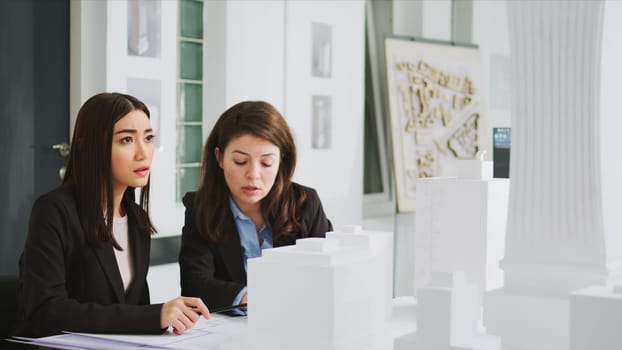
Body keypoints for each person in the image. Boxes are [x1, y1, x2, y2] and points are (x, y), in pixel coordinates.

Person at [14, 92, 209, 338]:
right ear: (88, 146)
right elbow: (46, 310)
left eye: (148, 138)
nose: (143, 152)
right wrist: (154, 315)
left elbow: (131, 311)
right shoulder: (54, 210)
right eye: (126, 140)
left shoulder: (136, 219)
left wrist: (170, 318)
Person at [179, 100, 333, 312]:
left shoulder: (305, 203)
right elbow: (194, 284)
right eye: (241, 161)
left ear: (281, 160)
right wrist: (249, 297)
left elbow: (327, 276)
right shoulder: (200, 207)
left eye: (266, 163)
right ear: (220, 158)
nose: (253, 174)